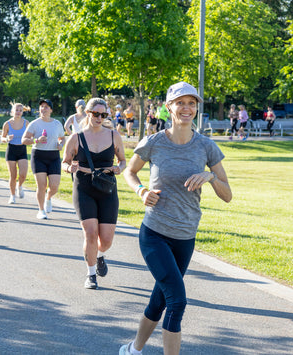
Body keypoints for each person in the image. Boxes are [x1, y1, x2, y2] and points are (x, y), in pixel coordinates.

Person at [121, 82, 232, 355]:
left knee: (160, 299)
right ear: (168, 107)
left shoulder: (206, 147)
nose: (186, 108)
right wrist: (141, 191)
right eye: (180, 102)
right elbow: (129, 171)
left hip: (185, 237)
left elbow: (227, 194)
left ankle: (133, 349)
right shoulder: (154, 142)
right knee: (177, 301)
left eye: (191, 103)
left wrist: (211, 176)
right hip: (155, 233)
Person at [61, 98, 126, 289]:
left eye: (103, 115)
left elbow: (123, 160)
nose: (99, 118)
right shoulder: (76, 138)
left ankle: (99, 255)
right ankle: (90, 275)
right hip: (84, 187)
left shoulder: (114, 135)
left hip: (107, 188)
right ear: (87, 113)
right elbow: (64, 161)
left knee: (105, 240)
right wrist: (68, 168)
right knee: (90, 233)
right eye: (96, 114)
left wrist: (119, 168)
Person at [22, 99, 65, 219]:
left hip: (54, 156)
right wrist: (36, 140)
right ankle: (41, 210)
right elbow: (24, 140)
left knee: (54, 186)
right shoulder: (35, 124)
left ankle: (49, 198)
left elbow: (62, 138)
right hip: (39, 156)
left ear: (51, 110)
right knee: (41, 185)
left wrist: (61, 145)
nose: (43, 109)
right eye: (41, 106)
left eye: (46, 107)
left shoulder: (57, 124)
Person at [1, 102, 29, 204]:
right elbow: (2, 138)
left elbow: (30, 136)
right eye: (16, 110)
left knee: (23, 174)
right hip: (11, 150)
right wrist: (6, 138)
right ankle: (12, 196)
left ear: (22, 112)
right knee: (13, 175)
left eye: (20, 110)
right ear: (12, 111)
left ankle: (20, 186)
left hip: (22, 150)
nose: (18, 112)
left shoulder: (26, 123)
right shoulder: (7, 124)